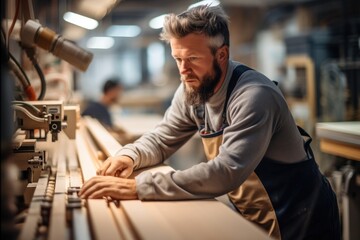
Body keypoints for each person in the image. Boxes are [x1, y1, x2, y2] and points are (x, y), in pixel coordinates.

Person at [79, 5, 340, 240]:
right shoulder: (191, 90)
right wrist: (130, 155)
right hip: (255, 212)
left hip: (300, 216)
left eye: (192, 59)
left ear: (222, 55)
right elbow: (162, 138)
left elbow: (226, 171)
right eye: (177, 59)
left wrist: (139, 187)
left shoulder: (254, 96)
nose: (183, 70)